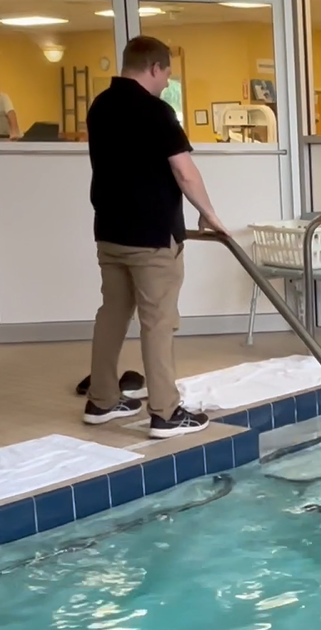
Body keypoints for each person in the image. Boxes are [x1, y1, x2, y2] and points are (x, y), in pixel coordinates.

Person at [83, 35, 229, 438]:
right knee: (158, 322)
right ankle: (165, 412)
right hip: (151, 237)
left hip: (110, 233)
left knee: (111, 313)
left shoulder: (100, 106)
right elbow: (184, 172)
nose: (166, 81)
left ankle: (102, 399)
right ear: (153, 67)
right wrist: (209, 214)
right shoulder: (156, 111)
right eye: (166, 73)